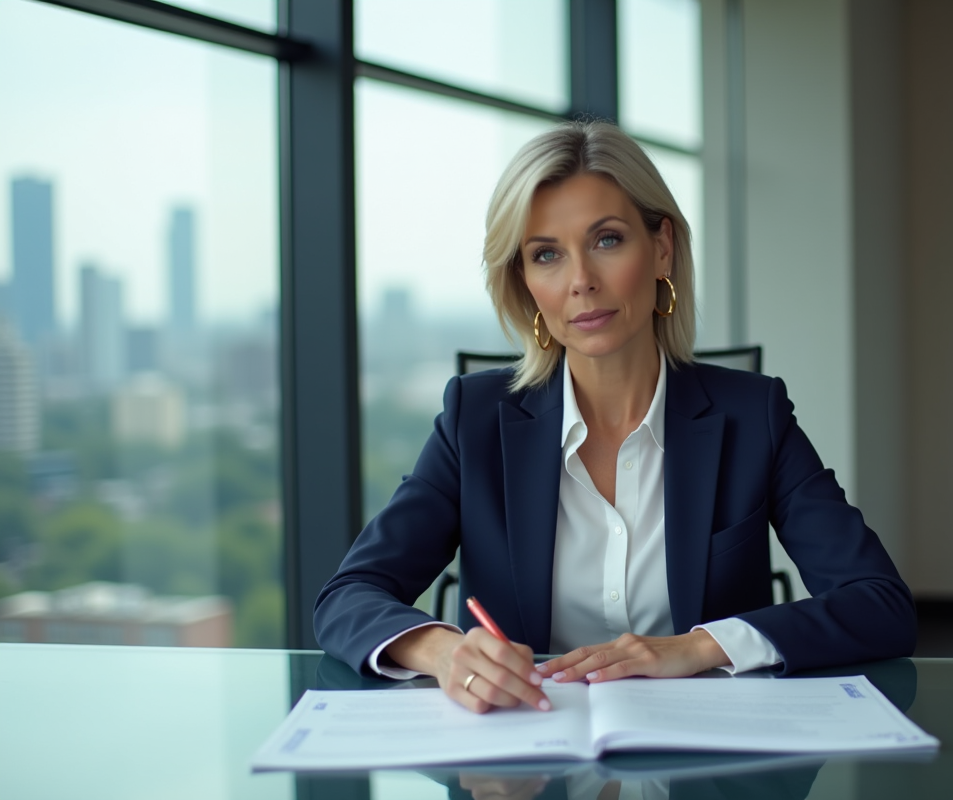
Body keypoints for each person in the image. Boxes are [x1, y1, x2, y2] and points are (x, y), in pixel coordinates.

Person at [314, 120, 916, 715]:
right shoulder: (474, 419)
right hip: (523, 756)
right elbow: (347, 597)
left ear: (661, 248)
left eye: (606, 240)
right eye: (546, 254)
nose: (581, 281)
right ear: (524, 285)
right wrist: (443, 652)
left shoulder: (753, 414)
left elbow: (879, 604)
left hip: (708, 755)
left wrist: (699, 647)